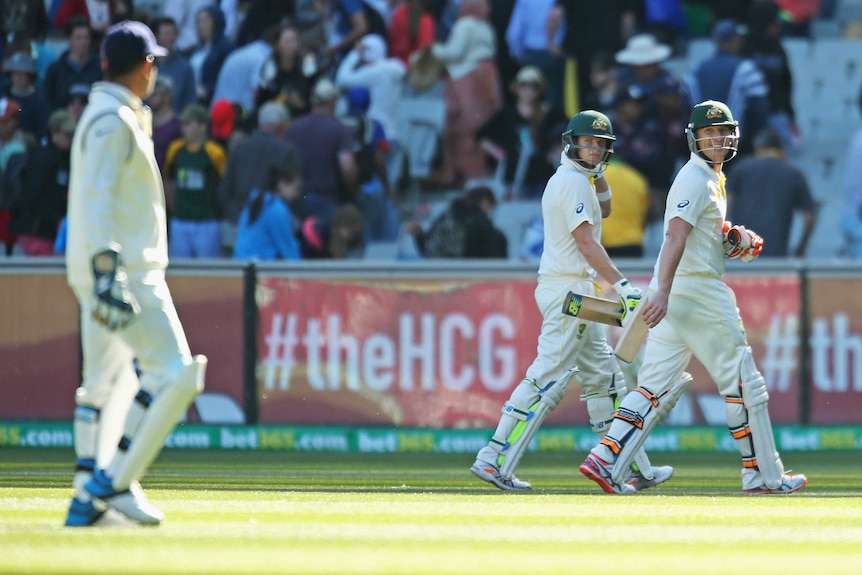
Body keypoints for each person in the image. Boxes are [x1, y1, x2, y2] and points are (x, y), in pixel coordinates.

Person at [579, 100, 807, 495]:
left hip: (679, 290)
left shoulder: (708, 180)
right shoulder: (696, 179)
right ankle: (763, 476)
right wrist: (663, 291)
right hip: (696, 290)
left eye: (722, 132)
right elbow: (674, 237)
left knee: (653, 387)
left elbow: (699, 234)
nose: (717, 139)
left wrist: (731, 239)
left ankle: (606, 458)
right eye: (708, 133)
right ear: (694, 138)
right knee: (744, 382)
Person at [470, 110, 671, 491]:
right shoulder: (572, 182)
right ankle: (492, 458)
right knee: (548, 376)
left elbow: (607, 210)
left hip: (578, 293)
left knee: (604, 379)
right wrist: (623, 284)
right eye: (588, 143)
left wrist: (599, 174)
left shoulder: (582, 179)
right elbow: (586, 242)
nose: (594, 150)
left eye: (600, 145)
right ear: (571, 143)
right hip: (570, 294)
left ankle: (629, 467)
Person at [63, 21, 207, 527]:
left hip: (107, 269)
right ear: (145, 66)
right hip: (127, 271)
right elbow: (99, 198)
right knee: (177, 375)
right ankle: (116, 479)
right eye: (154, 63)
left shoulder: (112, 115)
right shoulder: (112, 121)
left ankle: (86, 498)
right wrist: (109, 272)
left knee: (103, 387)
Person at [686, 20, 770, 158]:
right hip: (736, 147)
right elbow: (759, 110)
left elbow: (685, 108)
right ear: (735, 39)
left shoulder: (695, 71)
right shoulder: (746, 69)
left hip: (702, 147)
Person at [726, 127, 816, 257]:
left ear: (757, 148)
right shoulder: (793, 174)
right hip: (775, 257)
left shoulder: (740, 169)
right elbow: (809, 216)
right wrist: (802, 246)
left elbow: (725, 206)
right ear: (781, 150)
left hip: (741, 253)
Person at [8, 109, 75, 255]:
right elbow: (33, 196)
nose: (70, 138)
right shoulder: (42, 159)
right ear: (54, 132)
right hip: (35, 232)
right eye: (67, 134)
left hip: (51, 232)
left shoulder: (65, 158)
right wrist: (56, 220)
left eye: (72, 134)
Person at [164, 103, 226, 258]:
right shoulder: (175, 149)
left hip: (207, 222)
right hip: (180, 220)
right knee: (180, 271)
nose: (183, 129)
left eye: (188, 124)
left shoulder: (215, 152)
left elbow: (224, 182)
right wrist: (175, 208)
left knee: (208, 271)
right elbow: (168, 180)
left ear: (203, 126)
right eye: (183, 124)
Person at [407, 184, 508, 258]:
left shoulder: (447, 215)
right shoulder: (480, 223)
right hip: (462, 271)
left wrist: (419, 235)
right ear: (486, 202)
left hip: (437, 270)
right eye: (491, 207)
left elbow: (428, 246)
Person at [233, 164, 303, 260]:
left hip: (240, 261)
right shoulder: (277, 210)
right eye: (296, 189)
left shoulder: (255, 199)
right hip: (261, 265)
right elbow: (288, 249)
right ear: (282, 184)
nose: (297, 195)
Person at [42, 17, 102, 111]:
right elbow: (46, 100)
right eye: (78, 38)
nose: (83, 42)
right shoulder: (56, 69)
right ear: (69, 39)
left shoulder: (99, 68)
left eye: (86, 38)